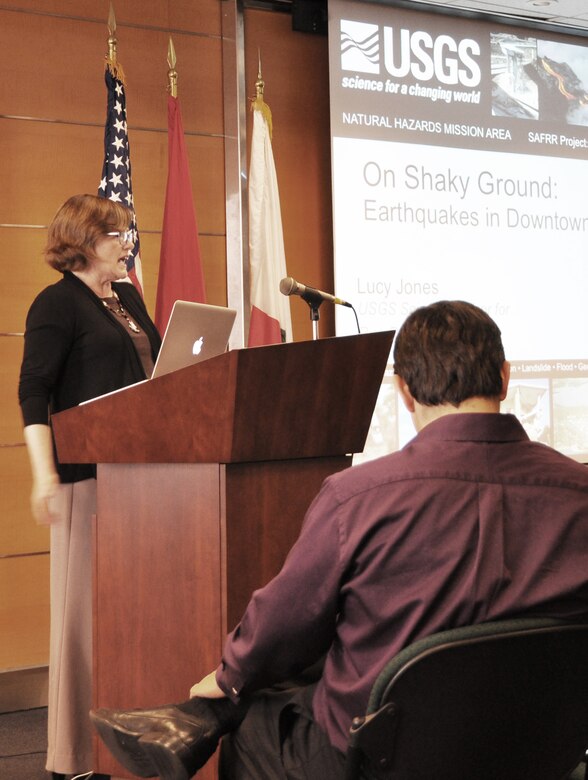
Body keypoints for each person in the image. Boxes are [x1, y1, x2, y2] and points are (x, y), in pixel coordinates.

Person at [90, 300, 588, 780]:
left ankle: (196, 719)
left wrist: (226, 679)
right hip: (542, 746)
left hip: (384, 755)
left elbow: (284, 626)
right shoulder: (578, 493)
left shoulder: (360, 497)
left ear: (404, 390)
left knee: (262, 716)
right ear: (504, 376)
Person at [18, 194, 162, 780]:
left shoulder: (126, 297)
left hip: (146, 478)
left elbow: (152, 375)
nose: (127, 242)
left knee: (134, 615)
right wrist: (43, 474)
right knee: (82, 619)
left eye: (127, 232)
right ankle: (72, 757)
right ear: (84, 240)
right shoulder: (56, 304)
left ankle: (130, 739)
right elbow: (33, 392)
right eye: (116, 234)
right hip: (85, 477)